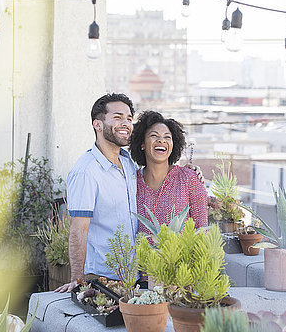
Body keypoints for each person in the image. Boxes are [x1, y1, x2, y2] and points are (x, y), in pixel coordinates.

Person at [55, 93, 138, 293]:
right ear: (97, 124)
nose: (125, 123)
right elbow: (78, 230)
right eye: (117, 117)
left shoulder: (128, 163)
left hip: (132, 275)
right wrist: (77, 280)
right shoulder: (86, 171)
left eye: (128, 118)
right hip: (102, 278)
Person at [129, 110, 208, 236]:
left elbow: (202, 230)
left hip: (181, 255)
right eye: (154, 136)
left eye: (167, 137)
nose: (162, 140)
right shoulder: (131, 181)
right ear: (142, 144)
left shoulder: (189, 179)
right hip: (140, 255)